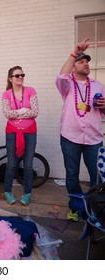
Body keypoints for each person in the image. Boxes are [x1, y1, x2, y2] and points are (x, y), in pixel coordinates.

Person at [55, 38, 105, 222]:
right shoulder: (67, 85)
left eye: (87, 61)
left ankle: (96, 209)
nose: (86, 64)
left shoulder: (98, 86)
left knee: (97, 176)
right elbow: (61, 76)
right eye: (81, 61)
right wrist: (73, 53)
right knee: (72, 175)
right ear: (74, 66)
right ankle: (75, 207)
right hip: (70, 137)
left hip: (93, 138)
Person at [1, 66, 39, 206]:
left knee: (28, 165)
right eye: (17, 75)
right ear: (10, 78)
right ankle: (7, 191)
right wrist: (23, 110)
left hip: (30, 132)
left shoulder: (31, 90)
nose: (20, 77)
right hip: (12, 132)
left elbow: (35, 112)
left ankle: (27, 193)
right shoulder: (6, 94)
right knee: (11, 164)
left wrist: (15, 112)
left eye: (22, 74)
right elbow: (7, 114)